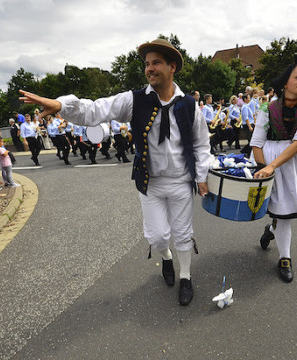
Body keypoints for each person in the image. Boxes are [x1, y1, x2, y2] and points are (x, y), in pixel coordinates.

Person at [19, 38, 212, 306]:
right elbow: (95, 109)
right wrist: (61, 105)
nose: (149, 68)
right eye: (147, 64)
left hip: (181, 181)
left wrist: (201, 176)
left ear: (172, 67)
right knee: (157, 237)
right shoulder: (133, 100)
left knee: (182, 232)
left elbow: (202, 144)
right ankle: (166, 258)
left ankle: (186, 277)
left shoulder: (190, 105)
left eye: (156, 62)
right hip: (150, 183)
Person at [250, 53, 297, 283]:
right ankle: (282, 250)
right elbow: (256, 142)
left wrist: (271, 166)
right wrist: (264, 168)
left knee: (285, 214)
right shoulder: (267, 108)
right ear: (285, 82)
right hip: (272, 162)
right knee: (282, 212)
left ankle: (278, 245)